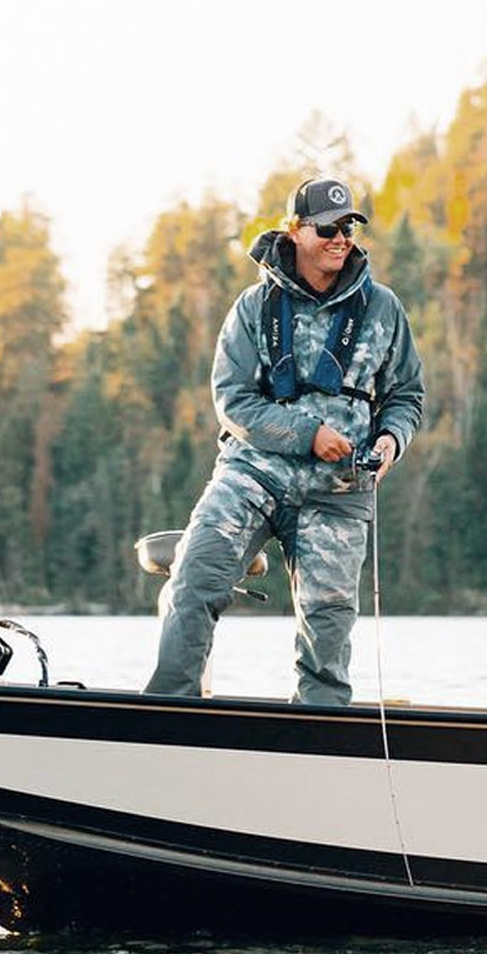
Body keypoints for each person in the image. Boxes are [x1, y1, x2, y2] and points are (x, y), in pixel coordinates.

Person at [146, 176, 425, 705]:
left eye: (348, 227)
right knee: (193, 581)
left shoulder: (384, 308)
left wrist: (391, 440)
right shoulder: (252, 308)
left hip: (339, 494)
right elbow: (233, 402)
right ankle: (164, 713)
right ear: (295, 231)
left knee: (328, 634)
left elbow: (407, 394)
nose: (340, 239)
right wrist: (307, 435)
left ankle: (318, 738)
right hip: (251, 475)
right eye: (327, 229)